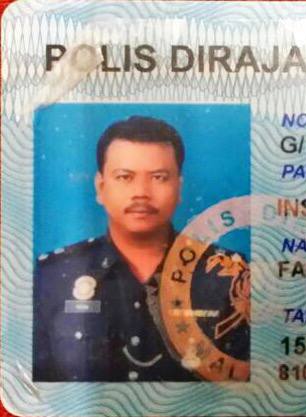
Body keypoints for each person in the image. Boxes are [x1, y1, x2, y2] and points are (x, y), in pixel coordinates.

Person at [33, 116, 249, 382]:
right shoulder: (51, 276)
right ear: (101, 187)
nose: (141, 192)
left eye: (158, 177)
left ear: (178, 187)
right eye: (124, 177)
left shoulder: (230, 275)